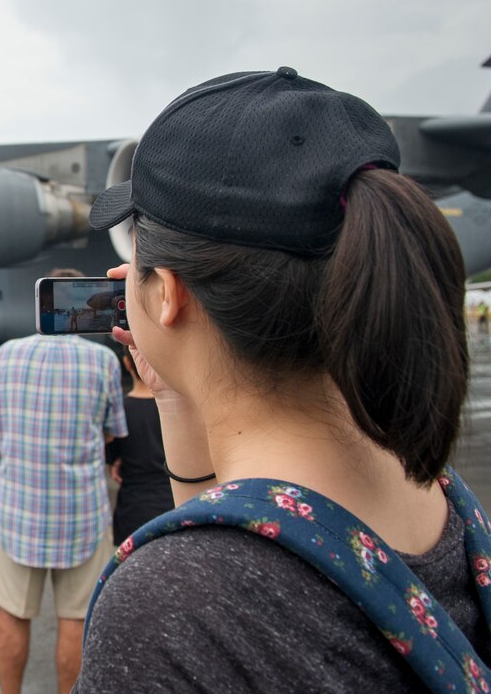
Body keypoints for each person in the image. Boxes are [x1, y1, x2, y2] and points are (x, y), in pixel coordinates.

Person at [74, 67, 482, 692]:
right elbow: (233, 523)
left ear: (168, 296)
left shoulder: (164, 608)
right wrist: (177, 396)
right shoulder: (437, 493)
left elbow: (225, 567)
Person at [0, 268, 128, 694]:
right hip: (81, 513)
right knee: (76, 619)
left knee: (13, 612)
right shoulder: (102, 360)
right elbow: (112, 430)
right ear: (84, 306)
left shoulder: (6, 355)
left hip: (17, 512)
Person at [104, 343, 172, 546]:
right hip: (173, 506)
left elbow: (112, 461)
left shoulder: (120, 410)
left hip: (132, 513)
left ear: (127, 363)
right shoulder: (176, 409)